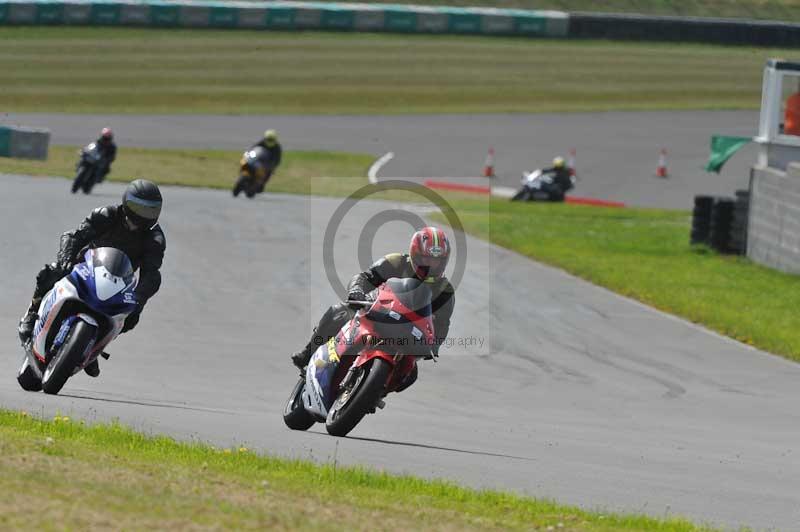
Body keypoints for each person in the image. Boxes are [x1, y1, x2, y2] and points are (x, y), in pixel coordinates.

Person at [18, 179, 166, 377]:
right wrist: (65, 261)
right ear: (127, 203)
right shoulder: (106, 215)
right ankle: (31, 313)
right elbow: (74, 236)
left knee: (131, 317)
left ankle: (92, 350)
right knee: (50, 273)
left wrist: (139, 297)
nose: (143, 215)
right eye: (138, 207)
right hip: (85, 267)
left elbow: (152, 273)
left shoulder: (154, 238)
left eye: (149, 210)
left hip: (119, 282)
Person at [291, 227, 456, 391]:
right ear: (415, 254)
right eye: (427, 260)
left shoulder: (445, 290)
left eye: (437, 261)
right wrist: (357, 290)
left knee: (410, 374)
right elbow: (365, 277)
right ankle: (308, 352)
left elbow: (442, 324)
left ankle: (374, 394)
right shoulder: (396, 262)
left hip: (407, 332)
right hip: (377, 310)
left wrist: (434, 346)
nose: (432, 265)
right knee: (339, 312)